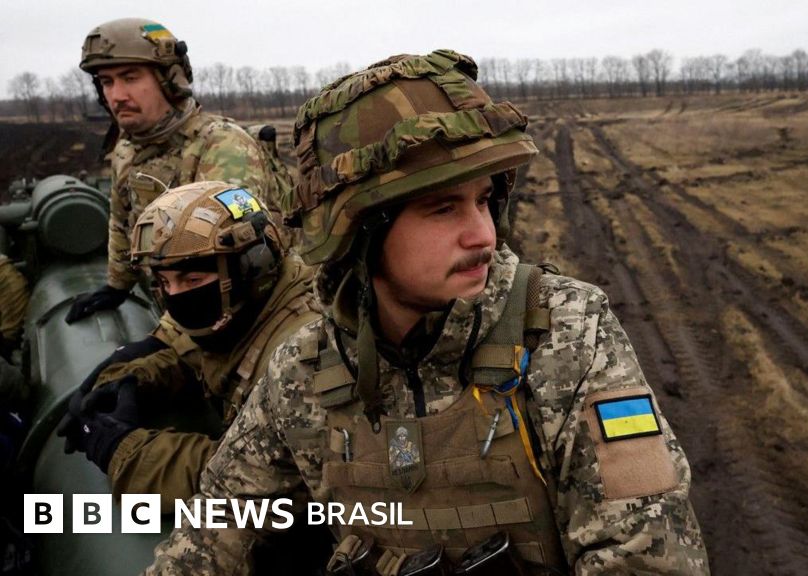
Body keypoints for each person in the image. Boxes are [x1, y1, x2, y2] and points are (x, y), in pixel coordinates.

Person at [148, 50, 709, 575]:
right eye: (443, 208)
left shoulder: (567, 331)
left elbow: (646, 552)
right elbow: (213, 532)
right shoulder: (304, 367)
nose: (483, 235)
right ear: (359, 231)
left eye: (484, 200)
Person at [57, 181, 319, 510]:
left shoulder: (307, 352)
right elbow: (199, 354)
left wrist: (124, 452)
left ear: (252, 266)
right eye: (165, 282)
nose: (177, 296)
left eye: (192, 280)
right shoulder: (245, 312)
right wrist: (135, 378)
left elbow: (268, 482)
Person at [65, 17, 292, 324]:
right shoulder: (127, 148)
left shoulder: (222, 148)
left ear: (169, 79)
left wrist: (164, 344)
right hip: (176, 304)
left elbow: (230, 271)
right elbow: (122, 220)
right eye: (106, 82)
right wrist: (117, 285)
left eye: (130, 78)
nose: (117, 95)